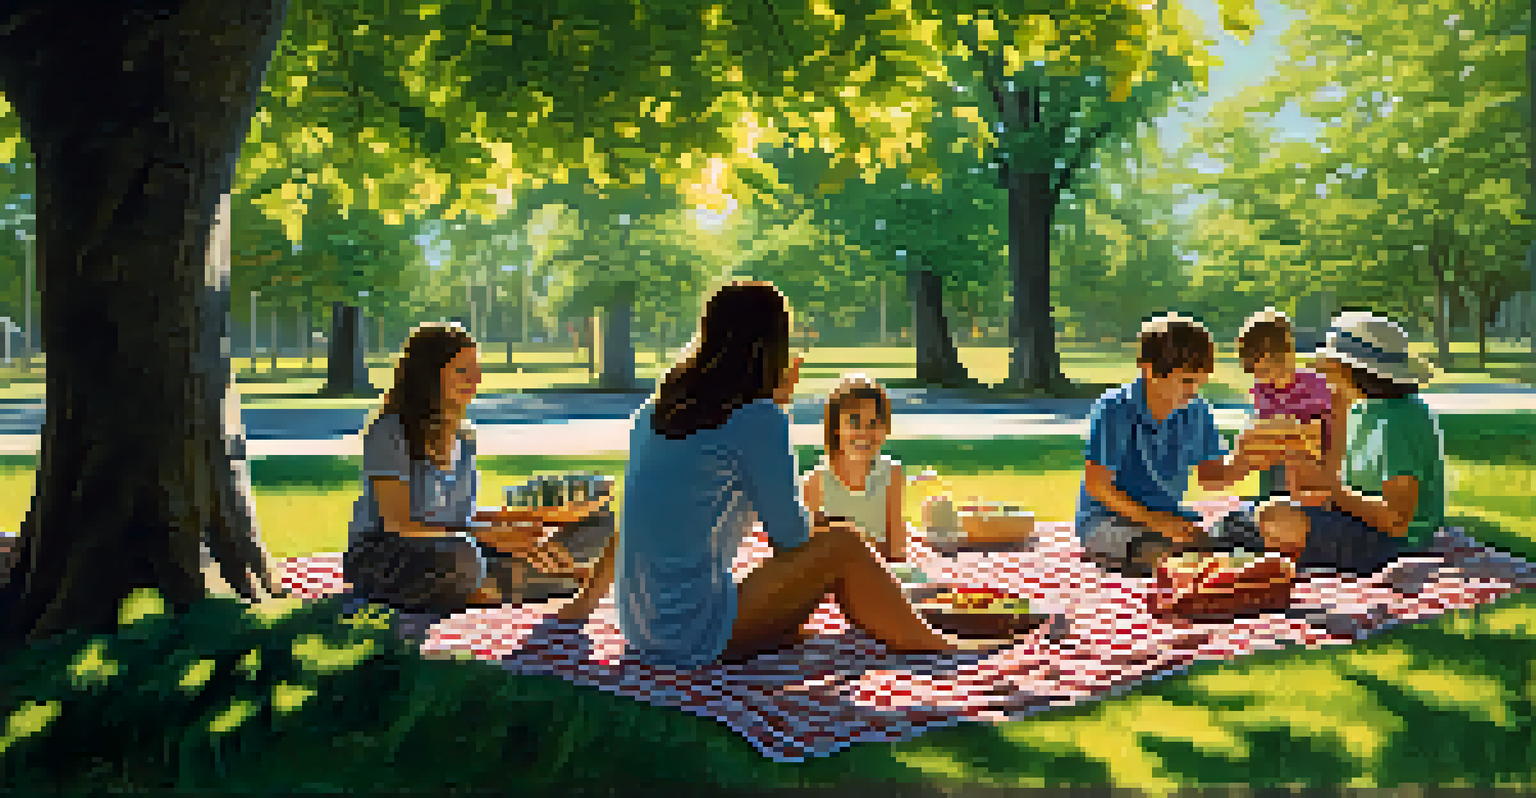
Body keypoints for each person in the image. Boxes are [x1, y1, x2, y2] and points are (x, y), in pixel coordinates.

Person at [556, 281, 1011, 668]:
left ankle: (893, 626)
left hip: (640, 629)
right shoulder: (758, 417)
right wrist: (779, 410)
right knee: (844, 545)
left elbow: (636, 521)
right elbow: (790, 539)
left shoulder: (652, 414)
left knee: (828, 552)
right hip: (690, 634)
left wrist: (583, 605)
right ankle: (938, 647)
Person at [344, 323, 575, 616]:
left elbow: (462, 516)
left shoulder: (465, 437)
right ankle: (524, 584)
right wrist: (487, 536)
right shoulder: (391, 431)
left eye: (476, 369)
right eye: (463, 370)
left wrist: (528, 519)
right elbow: (398, 524)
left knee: (583, 529)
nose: (476, 379)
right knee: (463, 554)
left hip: (453, 546)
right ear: (430, 376)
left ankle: (507, 584)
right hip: (386, 553)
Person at [1076, 314, 1273, 577]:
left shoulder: (1196, 410)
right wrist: (1158, 521)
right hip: (1108, 520)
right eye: (1187, 381)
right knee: (1166, 556)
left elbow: (1210, 476)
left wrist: (1247, 459)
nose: (1194, 391)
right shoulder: (1114, 409)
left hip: (1169, 518)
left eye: (1200, 382)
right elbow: (1097, 485)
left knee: (1237, 545)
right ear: (1149, 370)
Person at [1256, 312, 1445, 574]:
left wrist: (1329, 490)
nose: (1322, 370)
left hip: (1394, 543)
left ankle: (1274, 557)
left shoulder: (1400, 419)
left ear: (1350, 369)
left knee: (1272, 519)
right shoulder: (1361, 409)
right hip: (1357, 522)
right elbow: (1341, 483)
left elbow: (1396, 521)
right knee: (1260, 514)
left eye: (1329, 364)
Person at [1235, 308, 1344, 502]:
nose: (1262, 379)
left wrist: (1288, 431)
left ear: (1287, 355)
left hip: (1314, 468)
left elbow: (1321, 432)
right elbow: (1263, 430)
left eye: (1266, 370)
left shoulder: (1314, 384)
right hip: (1278, 468)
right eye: (1255, 372)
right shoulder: (1262, 389)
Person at [800, 374, 908, 562]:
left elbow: (896, 550)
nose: (864, 432)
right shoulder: (816, 482)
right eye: (854, 422)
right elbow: (810, 554)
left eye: (873, 423)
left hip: (876, 570)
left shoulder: (892, 474)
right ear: (836, 428)